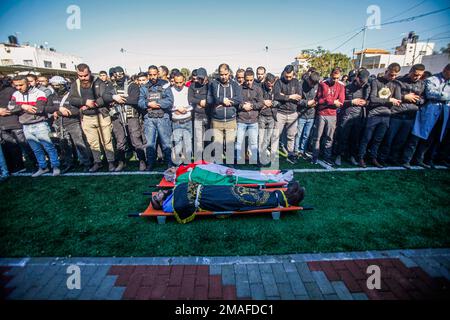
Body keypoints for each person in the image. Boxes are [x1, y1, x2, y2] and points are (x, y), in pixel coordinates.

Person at [151, 181, 305, 224]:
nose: (158, 193)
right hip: (210, 200)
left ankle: (282, 194)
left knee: (241, 190)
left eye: (156, 194)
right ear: (161, 203)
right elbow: (184, 207)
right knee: (243, 199)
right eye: (157, 197)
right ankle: (287, 199)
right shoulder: (171, 205)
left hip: (211, 191)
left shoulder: (173, 193)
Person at [69, 63, 116, 172]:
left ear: (89, 72)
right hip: (87, 118)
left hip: (101, 115)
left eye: (85, 75)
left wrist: (93, 104)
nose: (83, 78)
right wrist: (84, 102)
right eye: (80, 76)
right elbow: (72, 99)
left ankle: (111, 162)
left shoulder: (99, 82)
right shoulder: (75, 84)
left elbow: (105, 97)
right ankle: (97, 162)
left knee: (107, 141)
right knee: (93, 142)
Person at [402, 64, 450, 169]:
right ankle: (406, 160)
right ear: (446, 70)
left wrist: (442, 95)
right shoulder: (432, 79)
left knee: (431, 138)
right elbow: (430, 94)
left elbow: (440, 95)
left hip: (443, 114)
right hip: (427, 113)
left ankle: (420, 159)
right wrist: (445, 95)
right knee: (416, 137)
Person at [11, 75, 61, 177]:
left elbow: (38, 109)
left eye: (21, 85)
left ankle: (55, 166)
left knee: (49, 147)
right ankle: (43, 167)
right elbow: (10, 108)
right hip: (25, 126)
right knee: (36, 149)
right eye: (16, 85)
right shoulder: (16, 94)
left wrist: (19, 108)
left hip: (40, 124)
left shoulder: (39, 93)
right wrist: (23, 106)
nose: (18, 87)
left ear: (28, 83)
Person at [378, 64, 425, 166]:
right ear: (411, 71)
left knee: (401, 140)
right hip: (396, 114)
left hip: (410, 116)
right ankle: (382, 158)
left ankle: (393, 158)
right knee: (388, 138)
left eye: (420, 75)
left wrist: (417, 100)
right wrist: (404, 97)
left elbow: (424, 99)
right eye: (415, 74)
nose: (417, 77)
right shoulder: (399, 81)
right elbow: (390, 95)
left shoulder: (422, 84)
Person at [358, 63, 402, 168]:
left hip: (386, 115)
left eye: (395, 75)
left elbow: (398, 100)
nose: (393, 77)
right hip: (374, 114)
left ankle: (373, 157)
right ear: (387, 71)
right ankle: (360, 157)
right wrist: (389, 100)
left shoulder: (396, 84)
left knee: (378, 139)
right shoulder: (376, 81)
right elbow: (372, 99)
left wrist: (392, 101)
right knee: (366, 138)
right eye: (391, 74)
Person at [49, 76, 92, 173]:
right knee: (64, 145)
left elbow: (77, 110)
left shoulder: (71, 96)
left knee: (79, 144)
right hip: (59, 124)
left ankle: (87, 163)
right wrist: (56, 110)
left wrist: (58, 112)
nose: (56, 87)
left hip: (72, 123)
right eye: (54, 85)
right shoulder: (52, 97)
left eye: (58, 85)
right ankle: (69, 163)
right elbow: (47, 108)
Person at [138, 65, 174, 170]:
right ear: (148, 75)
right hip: (149, 119)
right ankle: (150, 163)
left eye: (155, 74)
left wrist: (156, 103)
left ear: (158, 74)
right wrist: (149, 104)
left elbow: (170, 101)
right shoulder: (144, 87)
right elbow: (140, 102)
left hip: (163, 118)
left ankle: (169, 163)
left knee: (166, 142)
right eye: (150, 75)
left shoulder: (165, 85)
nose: (153, 77)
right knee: (150, 143)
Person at [207, 63, 243, 163]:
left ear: (229, 73)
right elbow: (210, 99)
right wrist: (221, 100)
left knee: (230, 146)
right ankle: (219, 168)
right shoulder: (213, 84)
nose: (223, 77)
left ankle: (230, 168)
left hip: (231, 120)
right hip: (217, 121)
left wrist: (228, 101)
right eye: (221, 74)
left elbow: (239, 99)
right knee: (217, 146)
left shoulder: (235, 84)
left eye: (225, 74)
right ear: (218, 74)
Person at [0, 75, 36, 173]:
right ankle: (17, 166)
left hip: (16, 122)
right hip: (3, 125)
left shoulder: (12, 90)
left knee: (26, 145)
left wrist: (19, 106)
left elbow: (20, 104)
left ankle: (37, 164)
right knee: (10, 146)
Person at [335, 69, 370, 166]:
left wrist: (366, 103)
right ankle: (339, 155)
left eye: (365, 82)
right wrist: (351, 102)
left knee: (355, 139)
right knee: (343, 137)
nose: (363, 84)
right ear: (357, 78)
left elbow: (370, 101)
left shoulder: (367, 88)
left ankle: (351, 156)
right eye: (361, 81)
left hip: (359, 117)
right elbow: (340, 102)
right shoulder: (347, 87)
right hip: (346, 116)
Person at [310, 67, 345, 165]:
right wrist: (332, 101)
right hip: (321, 114)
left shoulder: (341, 86)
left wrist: (326, 100)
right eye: (334, 78)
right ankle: (314, 156)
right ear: (330, 75)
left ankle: (327, 157)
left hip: (332, 115)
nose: (335, 80)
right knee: (317, 137)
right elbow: (319, 100)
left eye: (338, 78)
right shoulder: (323, 84)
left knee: (329, 138)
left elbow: (341, 101)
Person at [103, 66, 133, 171]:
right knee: (120, 141)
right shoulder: (111, 85)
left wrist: (122, 99)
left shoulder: (130, 84)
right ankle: (121, 162)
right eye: (116, 75)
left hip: (130, 114)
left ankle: (141, 160)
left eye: (121, 74)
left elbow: (134, 98)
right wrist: (113, 97)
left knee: (135, 139)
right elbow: (105, 96)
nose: (119, 77)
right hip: (117, 116)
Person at [273, 65, 302, 164]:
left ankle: (290, 154)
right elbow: (276, 96)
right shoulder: (279, 82)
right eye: (286, 76)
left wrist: (283, 96)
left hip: (292, 113)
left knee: (291, 136)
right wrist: (290, 96)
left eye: (290, 76)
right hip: (280, 113)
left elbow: (298, 96)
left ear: (293, 74)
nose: (288, 78)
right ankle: (274, 155)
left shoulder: (296, 82)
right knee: (276, 135)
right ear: (284, 73)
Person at [236, 69, 263, 164]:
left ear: (253, 79)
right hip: (241, 120)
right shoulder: (239, 89)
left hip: (253, 121)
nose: (249, 82)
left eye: (251, 80)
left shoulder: (258, 89)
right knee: (239, 142)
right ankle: (238, 160)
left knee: (253, 143)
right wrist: (242, 106)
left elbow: (260, 103)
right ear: (244, 79)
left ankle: (254, 160)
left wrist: (251, 106)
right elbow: (236, 102)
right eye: (247, 80)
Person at [294, 71, 320, 159]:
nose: (312, 86)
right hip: (301, 114)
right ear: (309, 79)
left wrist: (316, 102)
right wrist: (307, 103)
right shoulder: (300, 84)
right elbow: (297, 100)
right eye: (311, 83)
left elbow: (319, 98)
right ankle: (296, 151)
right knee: (298, 134)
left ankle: (302, 151)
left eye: (314, 84)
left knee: (306, 135)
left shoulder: (317, 86)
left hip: (311, 115)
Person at [170, 72, 193, 164]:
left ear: (184, 81)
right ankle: (177, 164)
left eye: (181, 82)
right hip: (176, 122)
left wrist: (185, 109)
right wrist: (175, 109)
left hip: (187, 120)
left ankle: (187, 165)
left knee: (188, 145)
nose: (179, 85)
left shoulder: (188, 90)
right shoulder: (170, 90)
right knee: (177, 145)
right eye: (177, 82)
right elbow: (167, 104)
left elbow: (193, 103)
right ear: (173, 81)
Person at [188, 67, 209, 162]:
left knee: (208, 139)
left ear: (206, 77)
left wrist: (207, 102)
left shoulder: (210, 85)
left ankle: (208, 160)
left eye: (202, 78)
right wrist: (200, 101)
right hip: (197, 116)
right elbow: (190, 99)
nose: (200, 80)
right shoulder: (192, 86)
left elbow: (214, 97)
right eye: (198, 78)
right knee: (198, 140)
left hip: (209, 116)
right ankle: (198, 161)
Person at [258, 73, 278, 164]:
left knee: (268, 138)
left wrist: (271, 103)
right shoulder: (259, 87)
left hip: (272, 116)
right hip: (261, 116)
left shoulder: (276, 87)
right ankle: (260, 156)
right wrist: (263, 103)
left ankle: (263, 153)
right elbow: (257, 100)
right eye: (269, 84)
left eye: (272, 84)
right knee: (261, 138)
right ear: (265, 81)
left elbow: (279, 101)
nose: (271, 86)